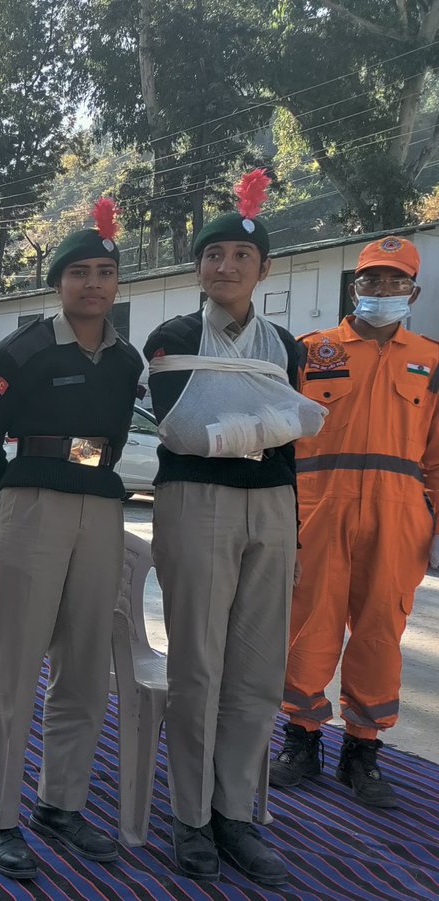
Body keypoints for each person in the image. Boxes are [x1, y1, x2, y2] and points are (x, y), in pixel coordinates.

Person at [0, 200, 143, 881]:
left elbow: (118, 440)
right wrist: (6, 508)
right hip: (32, 504)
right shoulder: (22, 349)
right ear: (58, 282)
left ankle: (61, 804)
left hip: (100, 509)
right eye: (79, 273)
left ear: (117, 282)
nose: (93, 284)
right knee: (13, 668)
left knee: (84, 669)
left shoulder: (127, 360)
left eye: (105, 272)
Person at [143, 171, 301, 887]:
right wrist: (258, 425)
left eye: (241, 256)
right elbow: (187, 428)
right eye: (212, 255)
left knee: (257, 666)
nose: (225, 266)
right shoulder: (172, 336)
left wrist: (249, 426)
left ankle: (236, 811)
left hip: (272, 504)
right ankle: (191, 815)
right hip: (197, 501)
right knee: (198, 665)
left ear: (263, 268)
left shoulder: (285, 345)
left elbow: (273, 432)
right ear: (197, 267)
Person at [271, 235, 439, 809]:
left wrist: (432, 523)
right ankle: (301, 737)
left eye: (396, 281)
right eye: (373, 280)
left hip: (398, 516)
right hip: (318, 509)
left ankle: (363, 750)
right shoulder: (312, 351)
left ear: (413, 290)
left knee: (379, 631)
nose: (383, 290)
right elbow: (280, 440)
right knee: (308, 624)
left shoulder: (432, 359)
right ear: (355, 286)